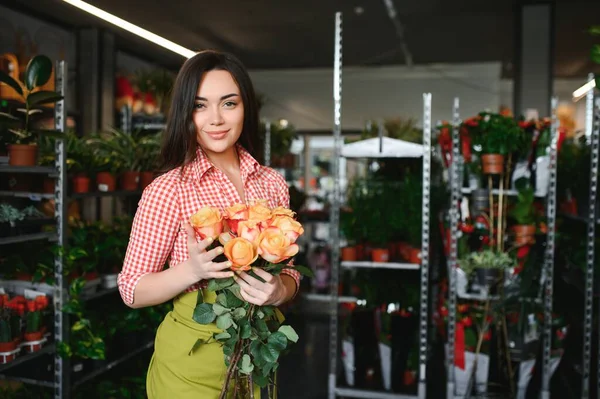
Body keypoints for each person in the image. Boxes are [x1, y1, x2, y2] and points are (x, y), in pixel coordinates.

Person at [117, 50, 301, 398]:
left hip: (257, 366)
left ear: (245, 107)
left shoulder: (272, 184)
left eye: (228, 103)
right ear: (186, 113)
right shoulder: (168, 190)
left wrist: (281, 291)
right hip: (189, 370)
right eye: (200, 106)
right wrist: (192, 270)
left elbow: (289, 270)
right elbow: (131, 289)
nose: (215, 119)